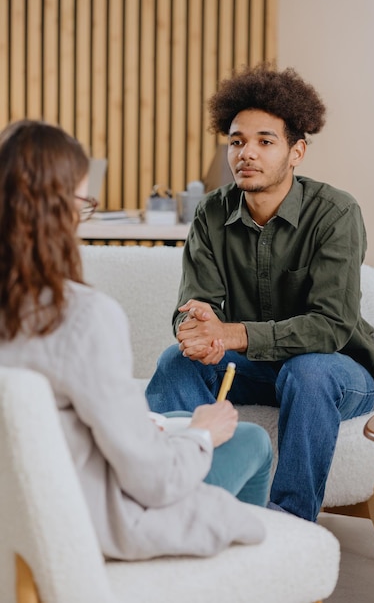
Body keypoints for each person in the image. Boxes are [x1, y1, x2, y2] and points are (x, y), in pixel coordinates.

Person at [0, 119, 273, 561]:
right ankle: (239, 576)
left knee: (174, 419)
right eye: (82, 203)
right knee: (251, 441)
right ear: (56, 211)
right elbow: (152, 480)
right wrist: (201, 436)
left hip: (11, 524)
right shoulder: (79, 316)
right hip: (92, 524)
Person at [145, 63, 374, 522]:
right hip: (255, 370)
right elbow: (194, 306)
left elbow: (331, 326)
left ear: (297, 152)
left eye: (264, 141)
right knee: (175, 361)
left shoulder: (335, 213)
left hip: (337, 373)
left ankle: (288, 528)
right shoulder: (212, 213)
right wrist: (196, 331)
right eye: (236, 142)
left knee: (307, 371)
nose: (245, 154)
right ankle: (168, 504)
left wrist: (231, 334)